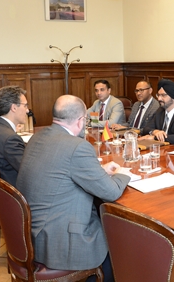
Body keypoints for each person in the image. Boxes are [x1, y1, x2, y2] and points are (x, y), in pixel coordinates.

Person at [16, 95, 130, 282]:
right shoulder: (78, 146)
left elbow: (59, 170)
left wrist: (99, 171)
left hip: (31, 231)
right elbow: (111, 192)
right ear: (81, 120)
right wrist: (124, 173)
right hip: (57, 239)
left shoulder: (38, 137)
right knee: (118, 235)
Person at [0, 86, 28, 187]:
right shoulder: (10, 139)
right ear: (14, 107)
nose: (27, 111)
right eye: (25, 106)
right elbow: (28, 171)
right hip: (15, 192)